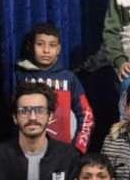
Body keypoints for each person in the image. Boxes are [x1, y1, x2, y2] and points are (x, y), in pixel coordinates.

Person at [15, 21, 94, 153]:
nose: (46, 50)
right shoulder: (21, 77)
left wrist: (78, 149)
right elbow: (13, 113)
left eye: (52, 45)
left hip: (62, 152)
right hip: (27, 151)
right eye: (40, 44)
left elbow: (86, 115)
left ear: (59, 49)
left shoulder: (69, 78)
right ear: (30, 46)